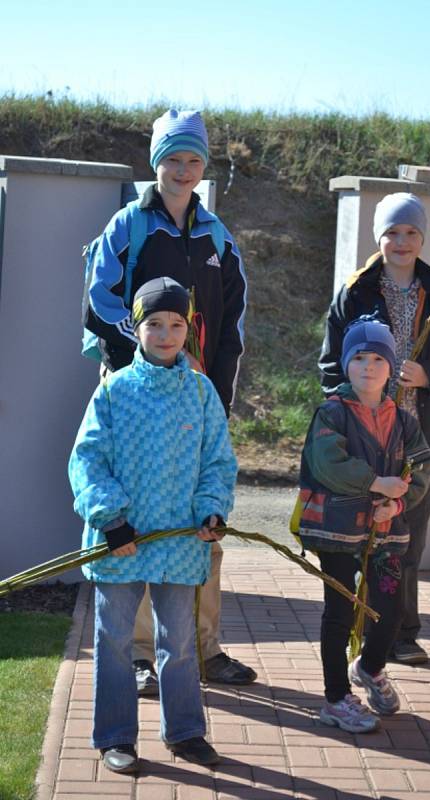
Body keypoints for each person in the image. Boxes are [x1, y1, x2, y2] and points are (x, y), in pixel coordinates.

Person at [84, 108, 255, 689]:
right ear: (156, 165)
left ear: (204, 167)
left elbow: (232, 326)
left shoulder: (218, 238)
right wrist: (132, 363)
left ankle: (203, 649)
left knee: (202, 522)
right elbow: (99, 302)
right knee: (137, 521)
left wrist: (220, 398)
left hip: (196, 402)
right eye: (173, 160)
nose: (184, 170)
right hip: (135, 399)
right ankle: (138, 656)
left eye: (193, 160)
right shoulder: (128, 226)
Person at [69, 277, 238, 773]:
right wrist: (110, 519)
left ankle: (186, 732)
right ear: (137, 328)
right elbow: (87, 460)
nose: (166, 334)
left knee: (180, 643)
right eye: (155, 324)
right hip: (121, 543)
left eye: (176, 324)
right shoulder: (114, 391)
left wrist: (212, 511)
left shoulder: (202, 393)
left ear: (189, 329)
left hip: (182, 542)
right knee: (116, 641)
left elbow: (218, 462)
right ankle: (115, 735)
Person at [319, 192, 430, 665]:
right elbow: (330, 364)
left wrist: (429, 375)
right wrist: (355, 403)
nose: (401, 241)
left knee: (407, 538)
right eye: (391, 232)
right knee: (362, 537)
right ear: (378, 237)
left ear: (422, 238)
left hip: (418, 439)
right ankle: (360, 625)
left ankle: (403, 632)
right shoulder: (356, 291)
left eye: (410, 232)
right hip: (366, 439)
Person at [298, 317, 430, 732]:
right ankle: (336, 697)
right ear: (346, 364)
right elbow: (327, 461)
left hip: (387, 534)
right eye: (359, 357)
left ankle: (371, 667)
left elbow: (422, 467)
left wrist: (396, 505)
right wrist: (376, 483)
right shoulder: (332, 413)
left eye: (379, 358)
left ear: (392, 368)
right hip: (337, 532)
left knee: (390, 610)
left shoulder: (405, 421)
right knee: (338, 611)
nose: (369, 367)